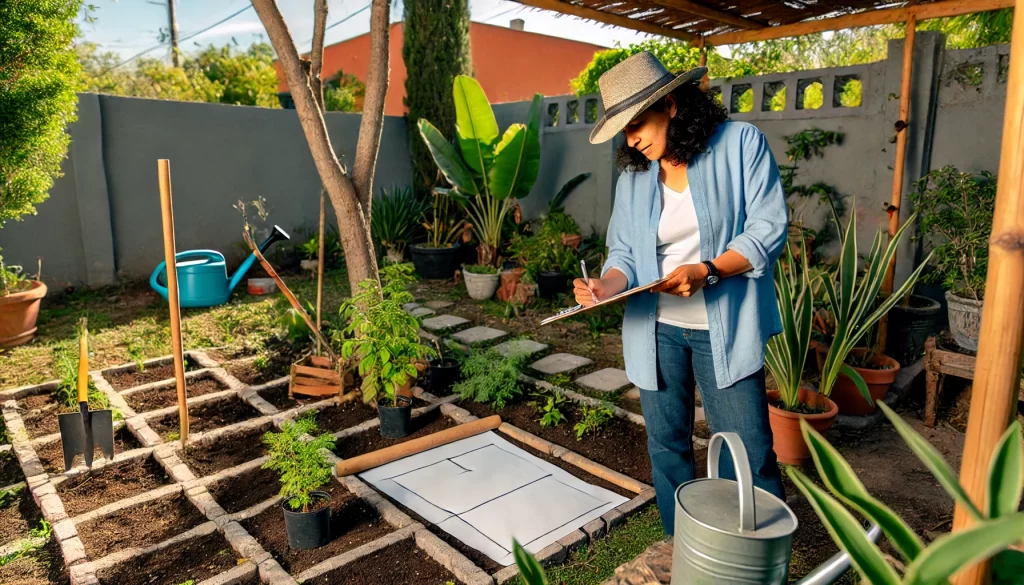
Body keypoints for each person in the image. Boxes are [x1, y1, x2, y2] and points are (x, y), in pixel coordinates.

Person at [575, 51, 788, 534]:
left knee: (748, 453)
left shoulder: (740, 144)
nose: (631, 140)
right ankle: (684, 545)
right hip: (657, 331)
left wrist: (709, 271)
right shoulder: (635, 174)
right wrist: (602, 286)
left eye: (638, 124)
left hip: (724, 328)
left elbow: (768, 228)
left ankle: (756, 556)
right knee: (667, 448)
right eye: (624, 131)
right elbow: (624, 252)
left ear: (671, 104)